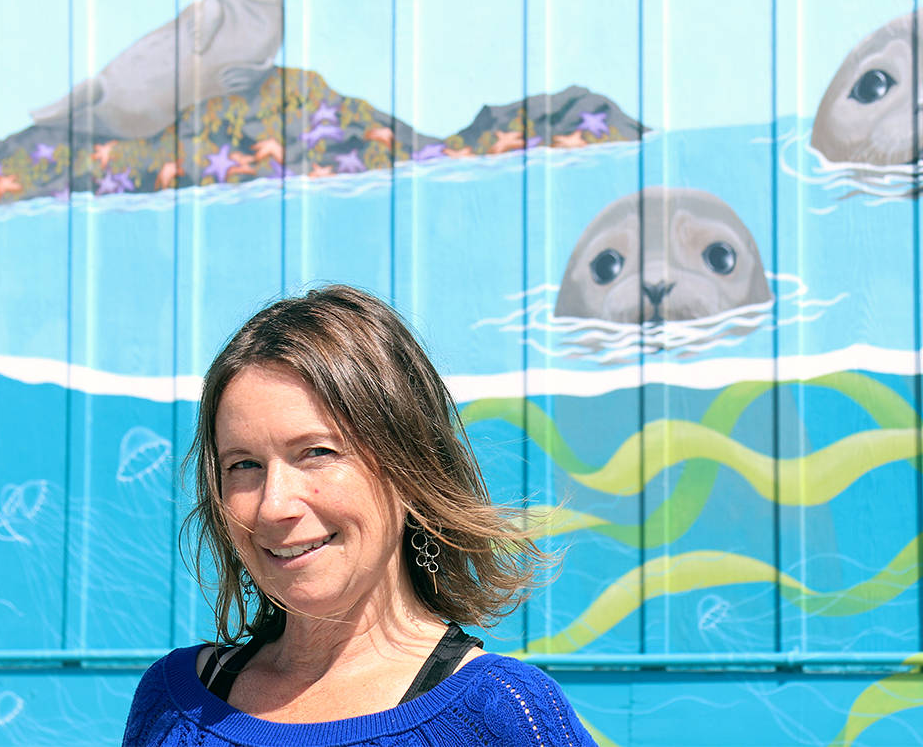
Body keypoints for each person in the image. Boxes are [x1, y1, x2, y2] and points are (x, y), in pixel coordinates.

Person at [122, 285, 597, 746]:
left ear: (410, 468)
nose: (273, 504)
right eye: (244, 465)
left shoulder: (500, 716)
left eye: (316, 452)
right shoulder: (172, 704)